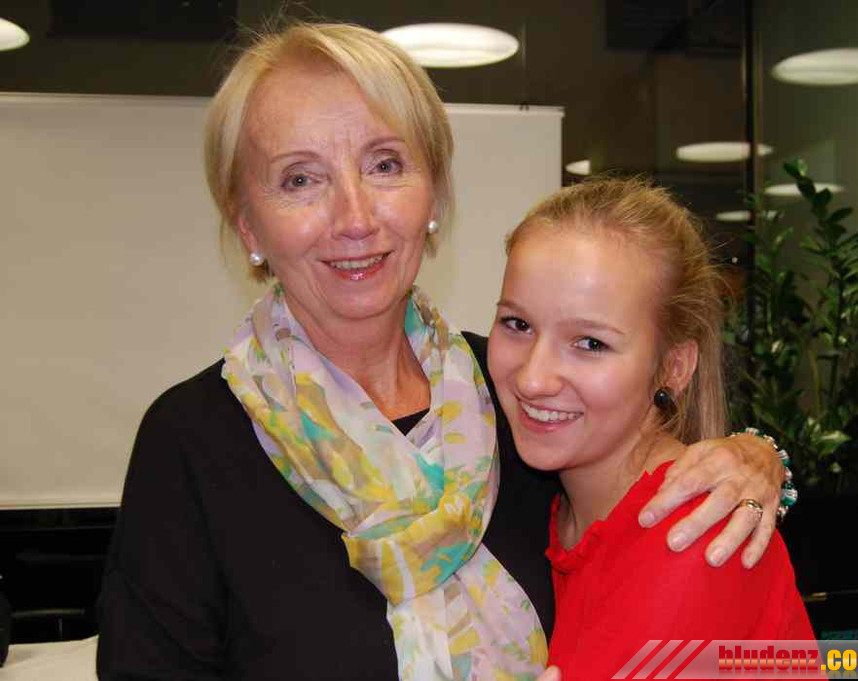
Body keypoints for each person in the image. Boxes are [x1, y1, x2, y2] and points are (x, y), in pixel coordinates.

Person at [96, 21, 790, 681]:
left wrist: (758, 460)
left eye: (385, 164)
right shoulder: (192, 443)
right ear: (248, 223)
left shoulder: (517, 399)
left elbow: (662, 537)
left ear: (433, 194)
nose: (355, 218)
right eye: (301, 179)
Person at [487, 177, 815, 680]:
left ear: (674, 367)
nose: (533, 379)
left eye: (590, 343)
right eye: (517, 324)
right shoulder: (540, 499)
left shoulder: (695, 541)